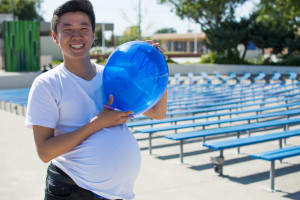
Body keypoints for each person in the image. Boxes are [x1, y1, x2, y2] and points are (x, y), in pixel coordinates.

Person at [25, 0, 167, 199]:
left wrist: (158, 68)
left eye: (84, 28)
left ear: (93, 36)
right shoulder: (47, 84)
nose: (77, 35)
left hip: (118, 194)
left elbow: (158, 113)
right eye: (68, 29)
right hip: (73, 190)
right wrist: (98, 123)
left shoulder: (111, 74)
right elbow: (45, 152)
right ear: (55, 37)